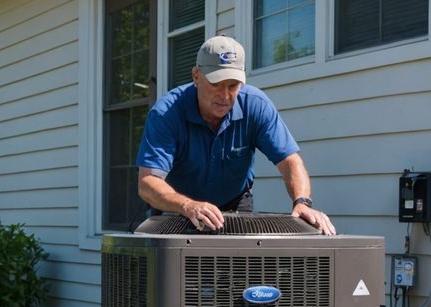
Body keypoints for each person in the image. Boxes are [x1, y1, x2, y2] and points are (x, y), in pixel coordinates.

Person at [135, 35, 336, 235]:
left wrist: (302, 202)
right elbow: (147, 183)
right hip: (176, 207)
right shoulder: (166, 113)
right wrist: (187, 205)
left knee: (239, 266)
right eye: (216, 84)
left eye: (233, 86)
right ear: (196, 76)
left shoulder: (255, 105)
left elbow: (290, 161)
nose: (224, 96)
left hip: (235, 204)